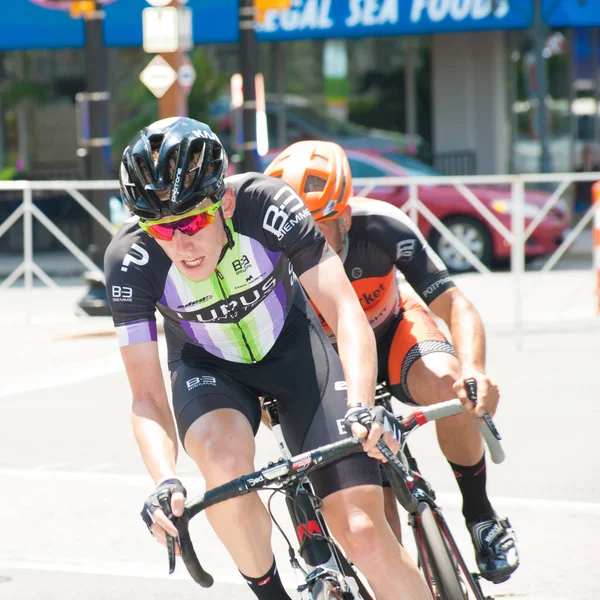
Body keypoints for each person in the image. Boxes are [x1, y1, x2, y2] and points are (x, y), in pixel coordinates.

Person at [104, 117, 432, 600]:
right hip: (208, 367)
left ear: (226, 202)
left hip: (296, 348)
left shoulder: (266, 204)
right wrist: (164, 479)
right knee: (221, 461)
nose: (181, 244)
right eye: (161, 230)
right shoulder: (129, 261)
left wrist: (363, 405)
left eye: (193, 221)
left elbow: (343, 311)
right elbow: (147, 398)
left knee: (362, 531)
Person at [264, 140, 520, 584]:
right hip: (332, 364)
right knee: (376, 520)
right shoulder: (268, 255)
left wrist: (475, 368)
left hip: (394, 332)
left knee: (449, 385)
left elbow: (455, 305)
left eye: (316, 228)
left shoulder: (382, 226)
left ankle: (480, 515)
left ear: (344, 217)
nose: (299, 243)